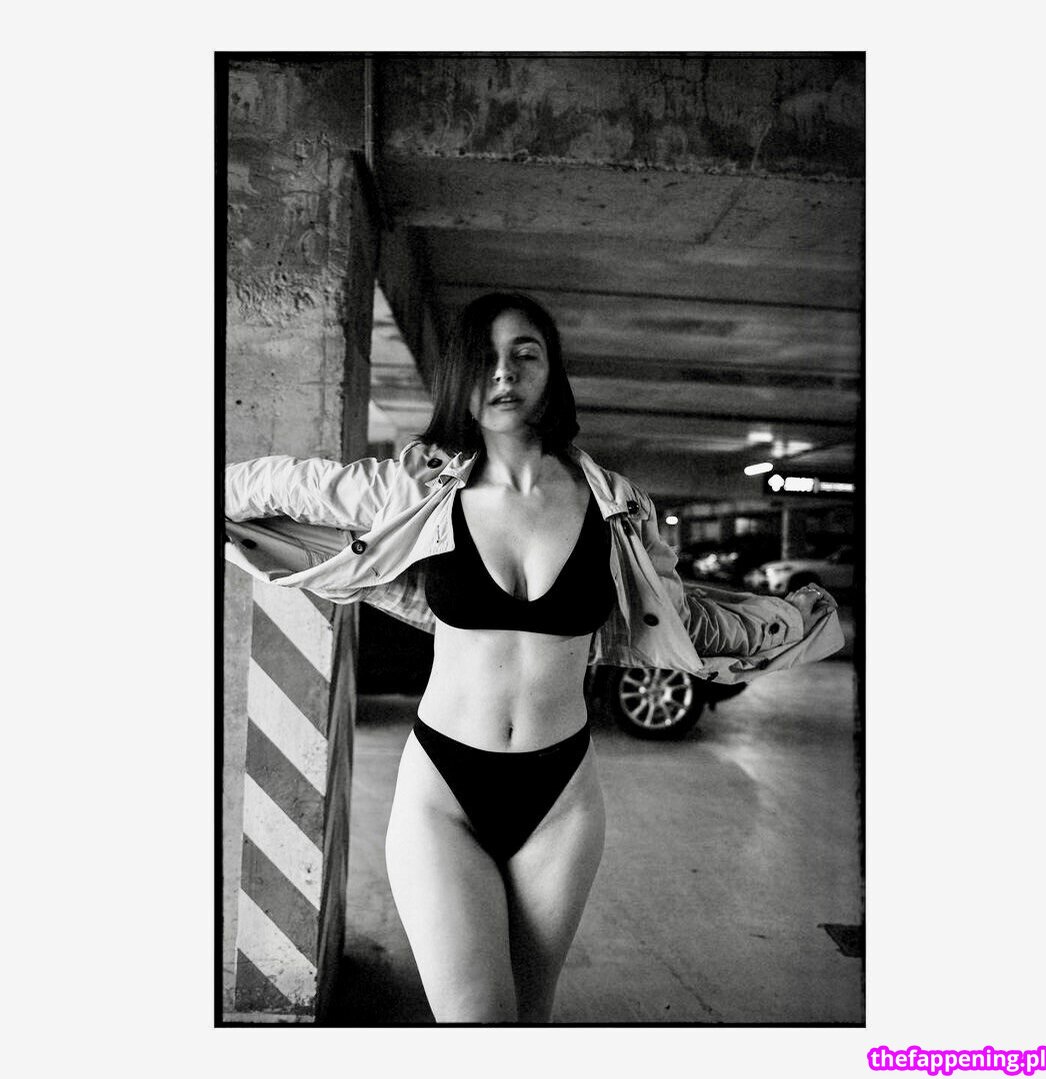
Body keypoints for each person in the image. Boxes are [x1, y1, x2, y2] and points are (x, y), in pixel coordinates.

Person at [224, 292, 842, 1023]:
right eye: (485, 357)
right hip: (443, 790)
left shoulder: (616, 507)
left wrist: (796, 625)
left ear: (553, 372)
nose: (504, 372)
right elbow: (269, 484)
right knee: (477, 1018)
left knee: (528, 1020)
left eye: (525, 353)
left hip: (563, 798)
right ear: (460, 376)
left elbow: (681, 617)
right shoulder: (412, 493)